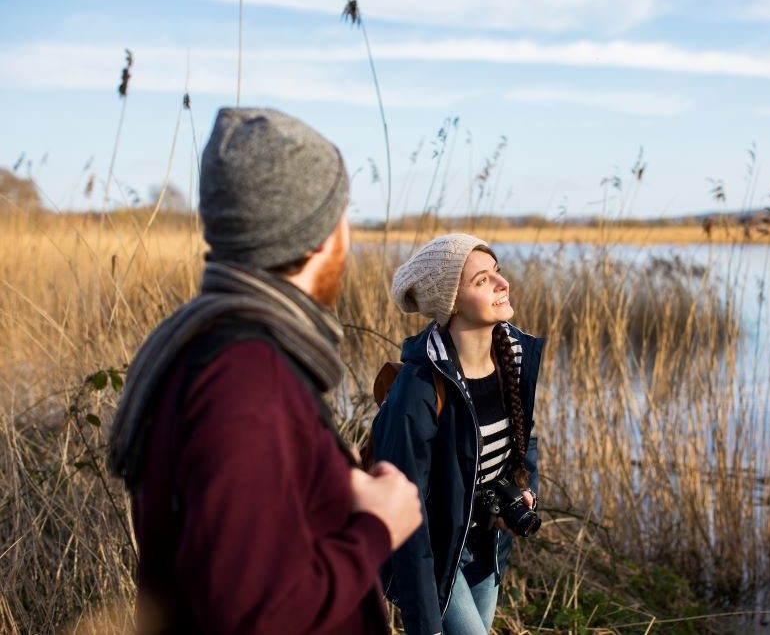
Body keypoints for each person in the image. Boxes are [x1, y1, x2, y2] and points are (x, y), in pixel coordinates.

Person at [107, 107, 422, 634]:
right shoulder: (246, 377)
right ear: (321, 234)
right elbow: (254, 612)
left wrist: (336, 490)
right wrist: (377, 527)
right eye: (342, 214)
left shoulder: (204, 344)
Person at [371, 234, 545, 635]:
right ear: (451, 303)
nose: (502, 284)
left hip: (487, 544)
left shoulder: (511, 360)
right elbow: (404, 512)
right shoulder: (419, 388)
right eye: (483, 281)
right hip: (434, 553)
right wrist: (423, 623)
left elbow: (525, 439)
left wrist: (523, 489)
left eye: (497, 273)